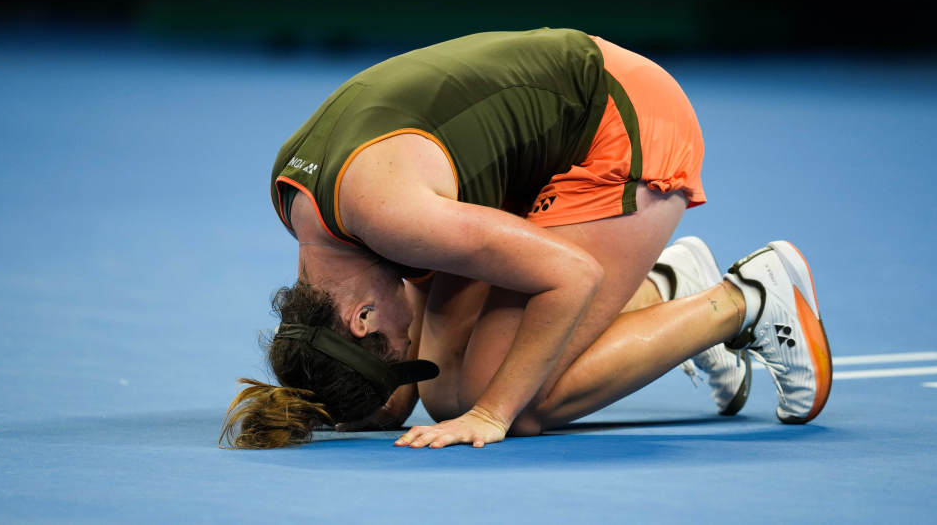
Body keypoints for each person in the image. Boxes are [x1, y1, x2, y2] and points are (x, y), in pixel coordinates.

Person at [220, 28, 832, 450]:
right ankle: (663, 285)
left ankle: (744, 299)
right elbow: (411, 328)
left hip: (623, 121)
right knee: (446, 394)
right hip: (550, 133)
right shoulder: (306, 209)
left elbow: (572, 275)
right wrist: (360, 400)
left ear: (360, 318)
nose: (408, 351)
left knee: (518, 401)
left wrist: (494, 414)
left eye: (395, 350)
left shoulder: (393, 218)